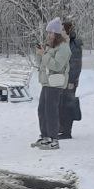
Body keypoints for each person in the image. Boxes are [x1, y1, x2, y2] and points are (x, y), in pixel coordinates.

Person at [32, 17, 71, 151]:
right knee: (42, 110)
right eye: (47, 33)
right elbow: (42, 63)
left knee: (51, 111)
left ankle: (54, 139)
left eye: (51, 33)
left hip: (55, 83)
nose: (48, 35)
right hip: (47, 82)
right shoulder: (50, 46)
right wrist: (39, 53)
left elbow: (56, 65)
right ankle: (45, 136)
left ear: (57, 34)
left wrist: (44, 55)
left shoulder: (64, 48)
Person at [59, 18, 83, 140]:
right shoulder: (61, 42)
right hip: (59, 79)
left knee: (68, 104)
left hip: (70, 80)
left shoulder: (75, 44)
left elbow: (76, 64)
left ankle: (67, 131)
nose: (60, 31)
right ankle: (61, 128)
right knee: (60, 103)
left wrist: (72, 81)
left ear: (68, 31)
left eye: (63, 29)